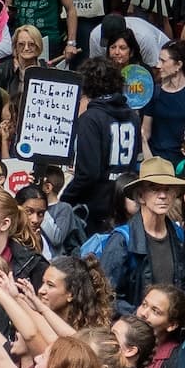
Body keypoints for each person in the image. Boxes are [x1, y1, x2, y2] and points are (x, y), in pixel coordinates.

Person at [98, 159, 185, 317]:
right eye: (155, 189)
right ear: (141, 196)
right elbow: (106, 296)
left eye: (168, 189)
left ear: (175, 194)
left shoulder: (178, 234)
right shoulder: (123, 239)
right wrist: (142, 316)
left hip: (171, 326)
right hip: (134, 327)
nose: (163, 196)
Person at [66, 58, 140, 237]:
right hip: (125, 200)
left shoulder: (90, 118)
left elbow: (88, 174)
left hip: (95, 210)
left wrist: (65, 197)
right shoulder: (133, 116)